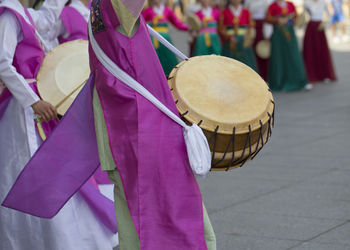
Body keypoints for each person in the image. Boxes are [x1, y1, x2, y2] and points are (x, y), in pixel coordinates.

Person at [2, 0, 217, 249]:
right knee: (175, 215)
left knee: (133, 219)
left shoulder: (98, 9)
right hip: (142, 127)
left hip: (121, 126)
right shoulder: (113, 6)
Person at [0, 0, 117, 249]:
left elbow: (48, 17)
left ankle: (53, 237)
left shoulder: (23, 14)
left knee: (50, 168)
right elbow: (2, 62)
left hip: (33, 103)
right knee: (31, 169)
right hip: (24, 112)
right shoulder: (9, 14)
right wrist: (33, 101)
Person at [266, 0, 308, 91]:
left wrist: (290, 19)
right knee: (278, 57)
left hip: (290, 34)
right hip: (278, 35)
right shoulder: (272, 6)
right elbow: (268, 19)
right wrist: (278, 20)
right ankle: (277, 82)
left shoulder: (290, 4)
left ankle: (299, 81)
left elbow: (295, 17)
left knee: (294, 56)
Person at [143, 0, 189, 75]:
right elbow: (140, 22)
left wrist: (188, 28)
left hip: (165, 40)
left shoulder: (167, 10)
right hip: (153, 39)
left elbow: (177, 24)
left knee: (168, 59)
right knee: (154, 59)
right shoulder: (148, 11)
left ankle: (170, 76)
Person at [303, 0, 337, 83]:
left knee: (321, 50)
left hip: (320, 28)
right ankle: (310, 75)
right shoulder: (307, 3)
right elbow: (303, 17)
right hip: (311, 28)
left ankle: (324, 75)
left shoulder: (323, 2)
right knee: (310, 50)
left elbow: (330, 15)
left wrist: (325, 24)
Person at [219, 0, 258, 71]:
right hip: (230, 43)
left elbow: (251, 25)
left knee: (247, 64)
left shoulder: (247, 12)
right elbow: (221, 28)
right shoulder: (224, 12)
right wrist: (229, 37)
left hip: (244, 42)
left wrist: (249, 37)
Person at [245, 0, 272, 80]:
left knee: (263, 52)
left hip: (262, 28)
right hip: (252, 28)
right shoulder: (248, 2)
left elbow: (268, 17)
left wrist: (267, 33)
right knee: (252, 52)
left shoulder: (266, 2)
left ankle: (265, 77)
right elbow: (247, 15)